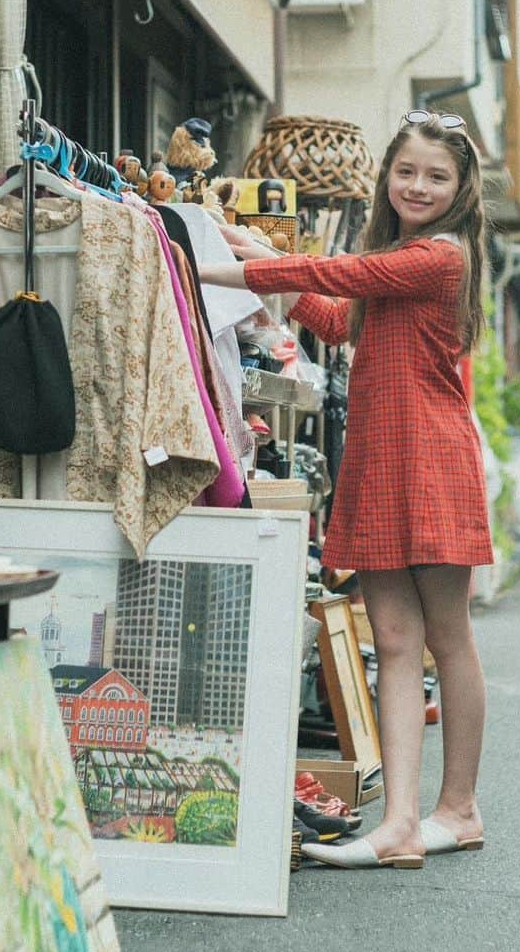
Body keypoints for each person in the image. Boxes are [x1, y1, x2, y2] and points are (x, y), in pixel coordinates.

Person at [200, 111, 493, 870]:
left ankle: (458, 808)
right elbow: (338, 318)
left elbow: (336, 276)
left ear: (461, 189)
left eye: (436, 175)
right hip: (380, 458)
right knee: (394, 641)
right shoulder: (397, 256)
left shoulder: (442, 256)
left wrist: (223, 265)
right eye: (407, 172)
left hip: (430, 459)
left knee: (447, 636)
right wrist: (267, 267)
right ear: (386, 178)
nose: (418, 185)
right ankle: (399, 822)